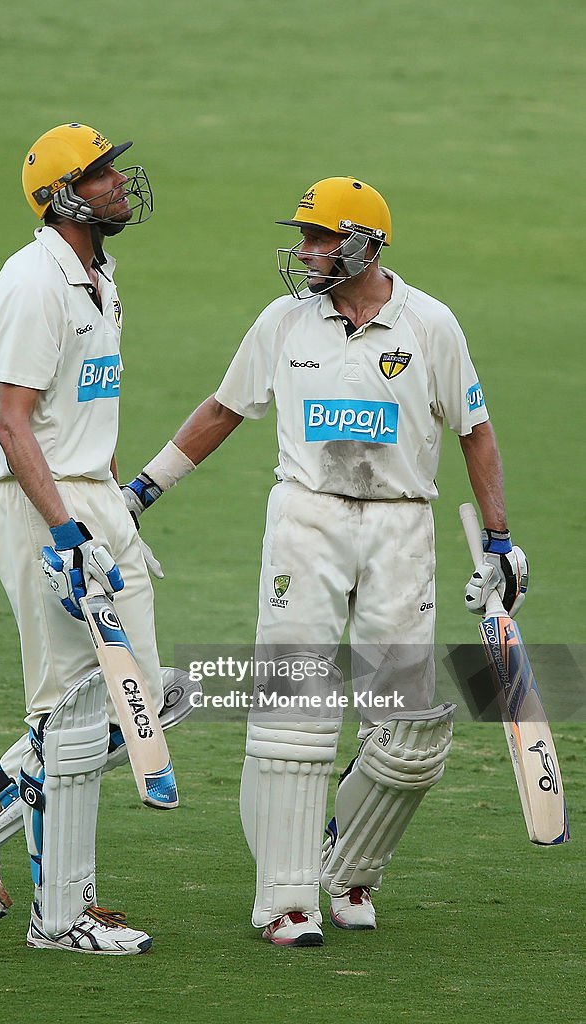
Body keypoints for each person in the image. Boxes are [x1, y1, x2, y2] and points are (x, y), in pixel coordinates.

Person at [118, 175, 529, 947]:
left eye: (319, 238)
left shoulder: (431, 324)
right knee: (294, 712)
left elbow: (474, 430)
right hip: (305, 520)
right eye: (302, 237)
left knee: (404, 727)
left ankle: (350, 874)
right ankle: (284, 900)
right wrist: (141, 491)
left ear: (365, 244)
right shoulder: (283, 321)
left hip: (402, 526)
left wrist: (501, 541)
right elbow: (223, 409)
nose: (304, 251)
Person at [0, 123, 180, 955]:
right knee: (71, 717)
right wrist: (66, 534)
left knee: (154, 696)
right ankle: (59, 916)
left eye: (112, 170)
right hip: (43, 506)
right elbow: (12, 424)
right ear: (60, 195)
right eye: (98, 174)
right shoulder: (32, 281)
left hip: (93, 498)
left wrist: (108, 514)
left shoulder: (98, 274)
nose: (116, 183)